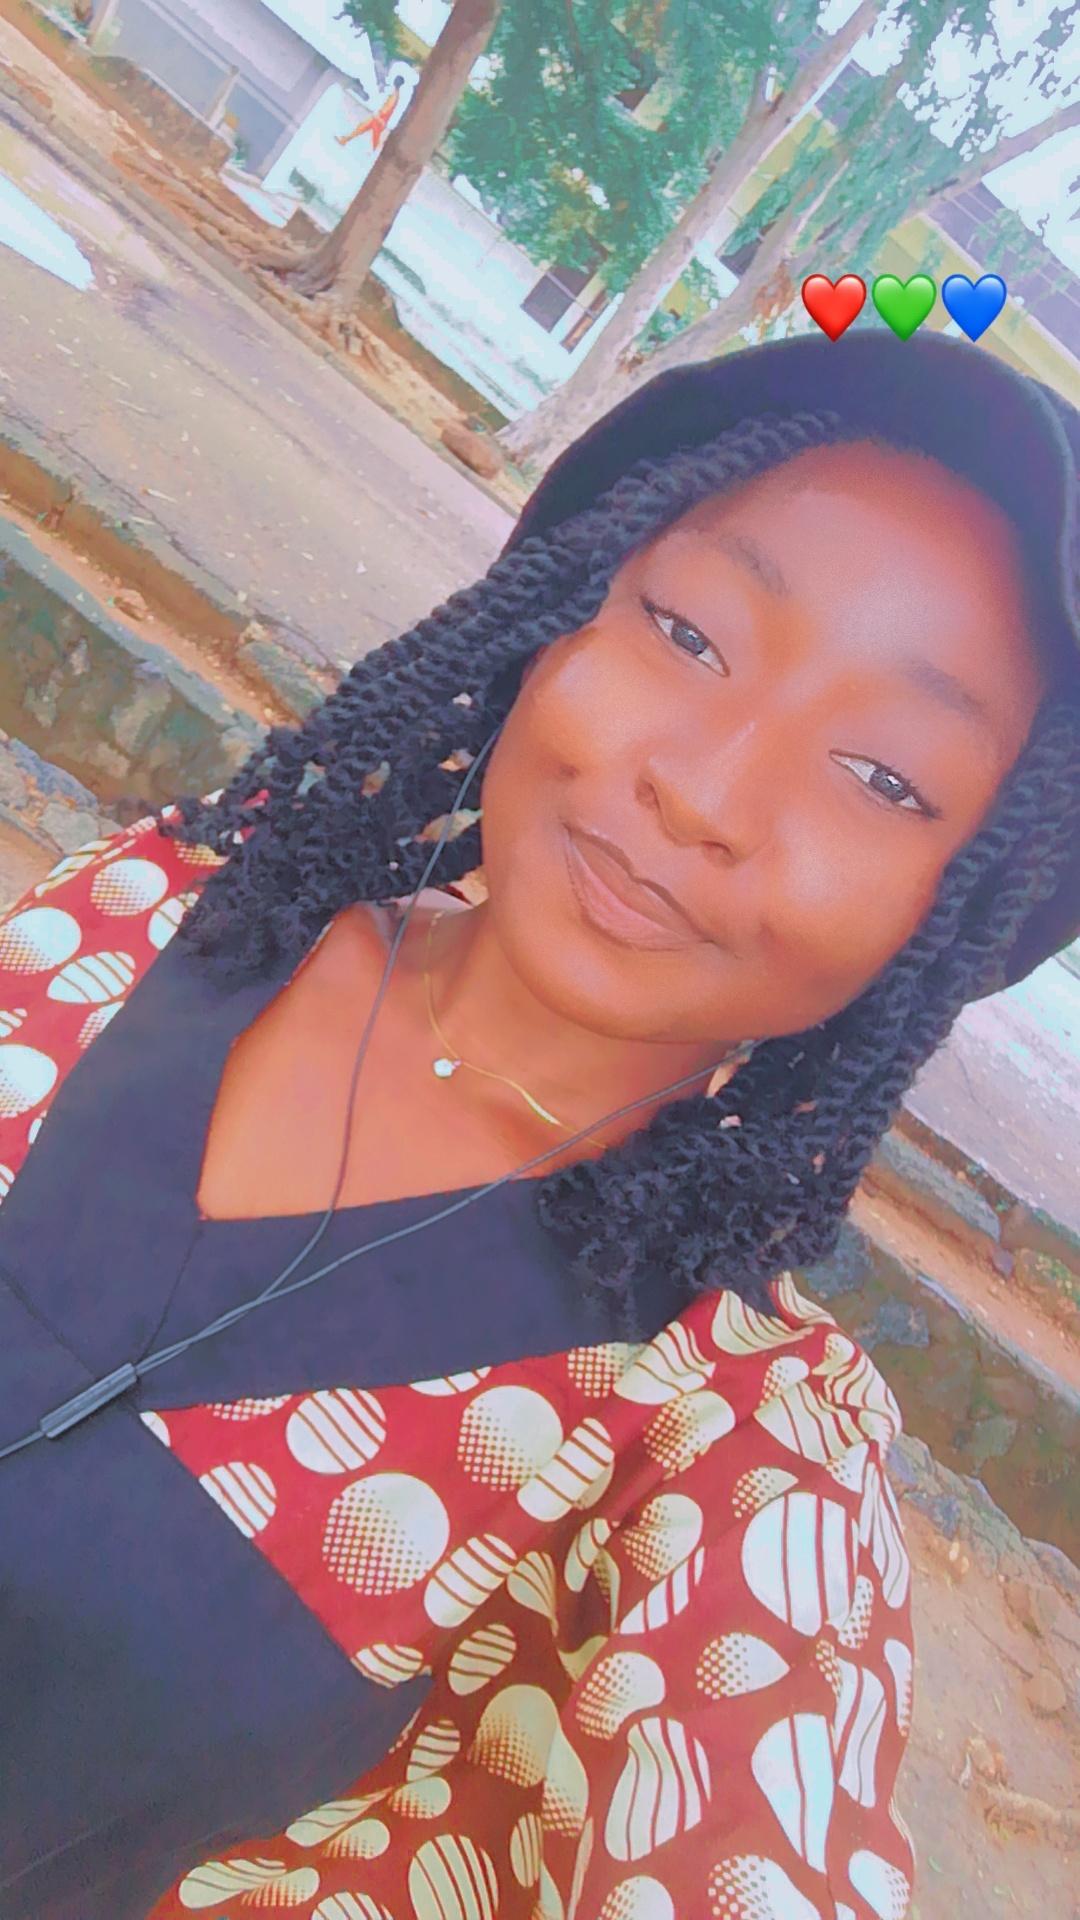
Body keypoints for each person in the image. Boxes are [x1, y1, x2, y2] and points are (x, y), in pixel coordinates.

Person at [1, 330, 1077, 1920]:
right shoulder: (161, 910)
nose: (706, 790)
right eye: (689, 634)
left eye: (884, 778)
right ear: (560, 606)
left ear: (958, 915)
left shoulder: (705, 1449)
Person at [336, 75, 405, 151]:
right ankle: (344, 140)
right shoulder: (394, 93)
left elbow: (388, 108)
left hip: (380, 120)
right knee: (361, 128)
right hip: (378, 118)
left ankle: (373, 152)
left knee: (374, 137)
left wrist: (378, 115)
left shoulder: (395, 95)